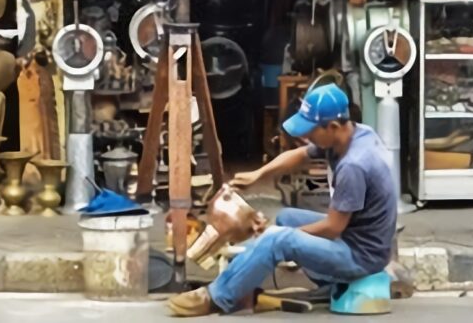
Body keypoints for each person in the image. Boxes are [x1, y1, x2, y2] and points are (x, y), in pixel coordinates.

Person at [168, 83, 397, 316]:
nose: (306, 137)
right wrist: (259, 174)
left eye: (310, 131)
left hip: (361, 256)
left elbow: (333, 227)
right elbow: (299, 155)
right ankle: (248, 277)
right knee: (286, 218)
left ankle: (217, 297)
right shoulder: (353, 134)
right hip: (355, 237)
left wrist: (278, 237)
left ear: (334, 126)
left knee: (279, 239)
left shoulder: (353, 166)